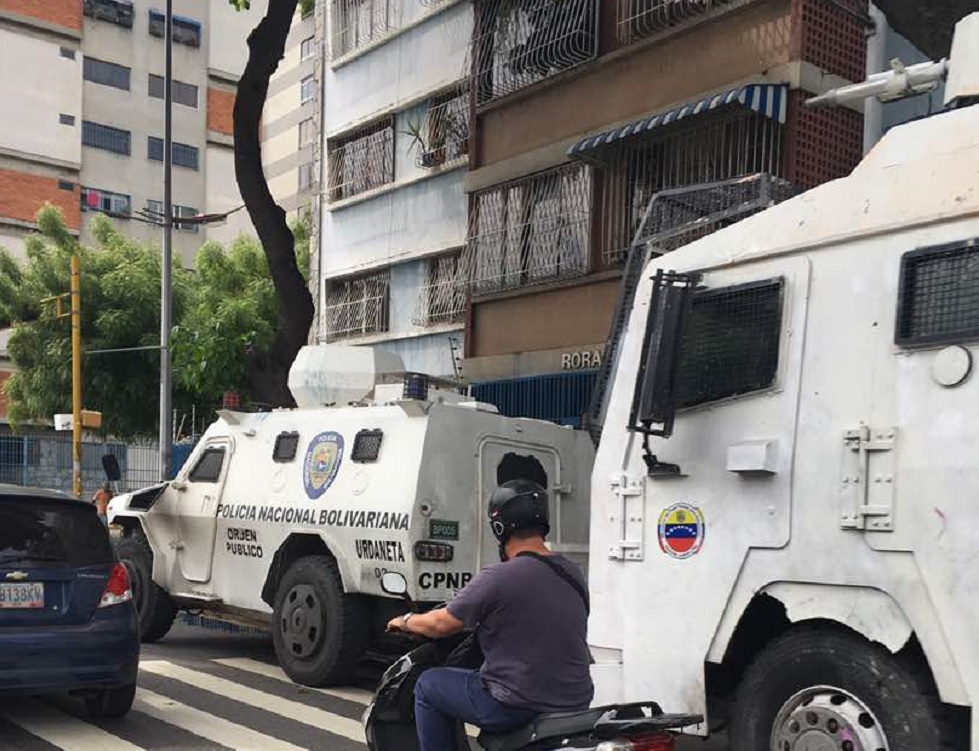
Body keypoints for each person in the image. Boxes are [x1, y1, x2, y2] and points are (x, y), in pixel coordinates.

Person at [386, 479, 594, 751]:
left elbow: (441, 624)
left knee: (428, 685)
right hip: (576, 702)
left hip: (515, 703)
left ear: (499, 526)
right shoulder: (572, 573)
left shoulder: (499, 576)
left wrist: (405, 621)